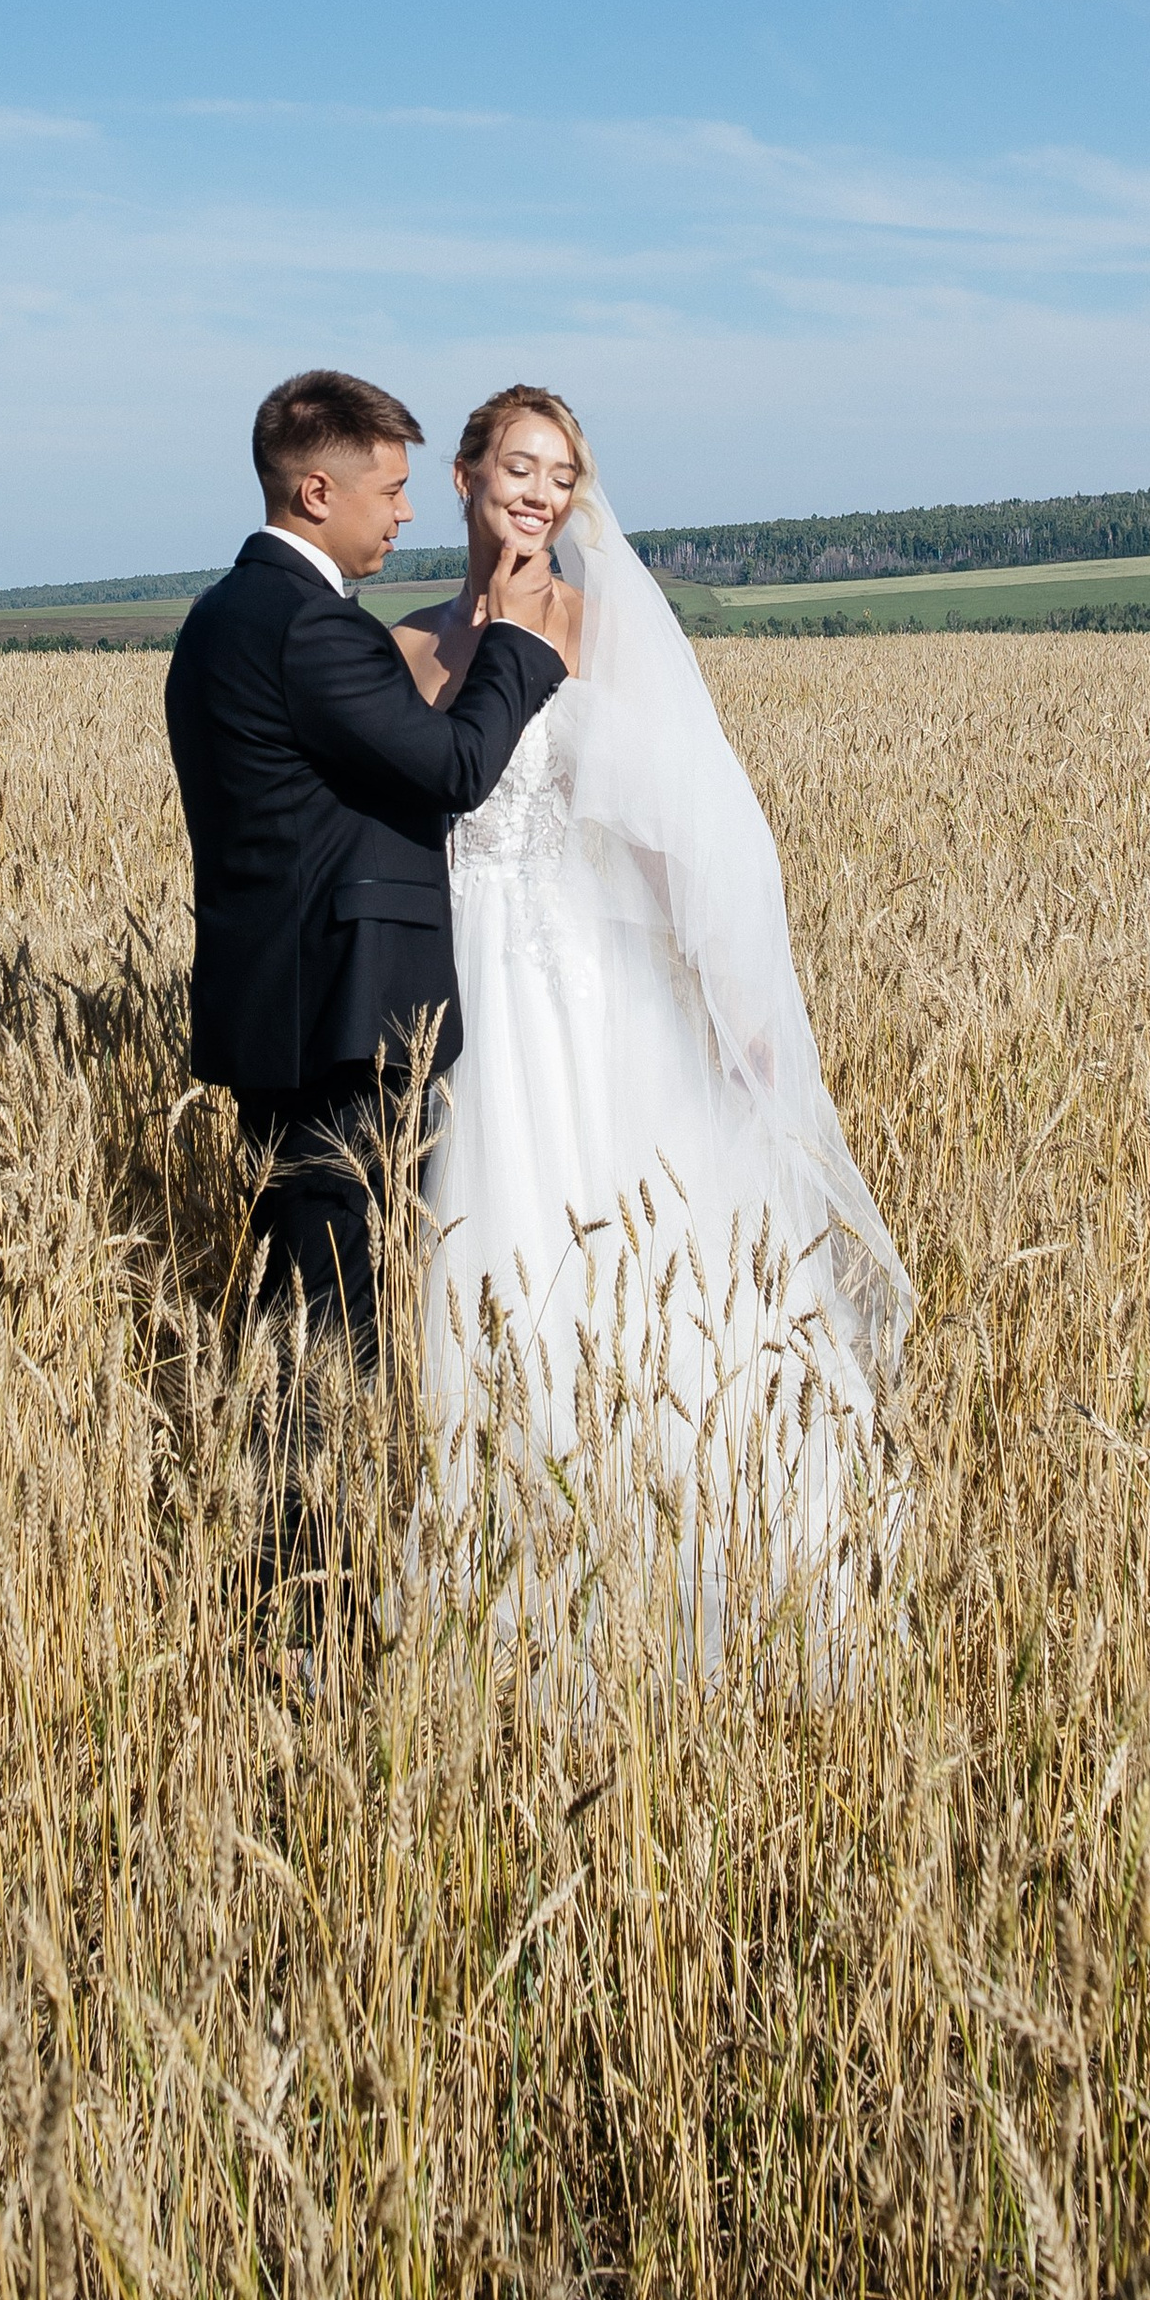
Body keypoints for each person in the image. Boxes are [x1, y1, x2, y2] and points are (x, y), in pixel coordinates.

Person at [391, 385, 912, 1655]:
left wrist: (737, 1012)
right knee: (484, 1266)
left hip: (581, 984)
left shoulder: (592, 630)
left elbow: (685, 836)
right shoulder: (402, 646)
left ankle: (689, 1560)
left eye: (559, 476)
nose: (537, 493)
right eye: (516, 466)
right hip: (462, 987)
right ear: (462, 475)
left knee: (624, 1257)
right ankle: (503, 1576)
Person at [164, 368, 566, 1381]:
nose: (405, 510)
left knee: (306, 1305)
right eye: (388, 491)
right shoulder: (313, 625)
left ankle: (294, 1529)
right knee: (336, 1326)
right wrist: (516, 640)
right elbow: (454, 769)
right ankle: (296, 1542)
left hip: (282, 1013)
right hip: (345, 1026)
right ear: (316, 494)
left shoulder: (220, 617)